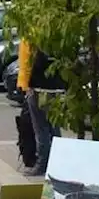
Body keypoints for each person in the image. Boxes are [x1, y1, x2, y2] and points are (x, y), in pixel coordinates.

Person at [21, 45, 65, 176]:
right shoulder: (62, 36)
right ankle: (57, 163)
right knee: (55, 128)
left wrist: (26, 85)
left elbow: (31, 63)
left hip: (39, 89)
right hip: (58, 89)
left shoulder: (36, 38)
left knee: (41, 130)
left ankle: (42, 164)